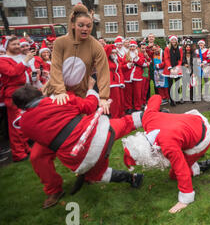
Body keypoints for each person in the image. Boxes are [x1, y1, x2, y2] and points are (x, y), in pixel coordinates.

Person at [12, 82, 144, 209]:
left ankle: (131, 178)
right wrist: (91, 88)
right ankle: (154, 116)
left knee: (98, 175)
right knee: (128, 122)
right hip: (99, 133)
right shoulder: (62, 100)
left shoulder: (24, 123)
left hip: (79, 157)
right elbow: (90, 105)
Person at [123, 94, 210, 214]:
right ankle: (195, 158)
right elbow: (156, 97)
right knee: (178, 154)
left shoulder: (168, 145)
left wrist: (185, 199)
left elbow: (181, 169)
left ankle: (204, 164)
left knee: (174, 175)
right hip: (191, 121)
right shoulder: (148, 118)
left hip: (202, 137)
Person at [44, 4, 110, 114]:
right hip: (56, 92)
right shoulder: (60, 42)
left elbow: (103, 72)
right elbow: (56, 67)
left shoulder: (95, 45)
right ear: (73, 25)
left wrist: (103, 97)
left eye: (88, 26)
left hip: (79, 94)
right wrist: (60, 91)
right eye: (81, 25)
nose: (85, 29)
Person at [0, 36, 33, 161]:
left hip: (23, 92)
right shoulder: (2, 59)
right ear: (7, 46)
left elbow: (24, 73)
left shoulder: (19, 57)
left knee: (23, 123)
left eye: (19, 44)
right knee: (15, 125)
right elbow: (12, 72)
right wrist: (25, 61)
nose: (18, 46)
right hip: (13, 93)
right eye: (14, 44)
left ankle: (25, 149)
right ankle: (18, 154)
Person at [123, 40, 149, 113]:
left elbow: (143, 64)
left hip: (137, 75)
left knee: (137, 93)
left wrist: (137, 58)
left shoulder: (140, 54)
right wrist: (128, 65)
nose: (132, 48)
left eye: (133, 46)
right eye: (131, 46)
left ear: (136, 47)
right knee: (128, 93)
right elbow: (123, 65)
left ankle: (137, 107)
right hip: (128, 75)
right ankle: (129, 107)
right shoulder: (126, 54)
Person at [104, 44, 125, 118]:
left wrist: (122, 81)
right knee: (115, 101)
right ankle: (115, 116)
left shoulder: (116, 60)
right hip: (111, 82)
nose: (114, 54)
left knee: (121, 100)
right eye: (112, 53)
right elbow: (105, 52)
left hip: (118, 82)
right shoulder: (106, 59)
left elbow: (120, 71)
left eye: (115, 53)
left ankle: (120, 114)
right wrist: (111, 46)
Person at [162, 35, 183, 106]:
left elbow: (180, 59)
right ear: (170, 41)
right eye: (172, 40)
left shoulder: (179, 49)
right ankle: (171, 100)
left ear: (176, 41)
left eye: (175, 40)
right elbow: (166, 58)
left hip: (177, 69)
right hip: (169, 69)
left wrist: (177, 67)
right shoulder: (167, 48)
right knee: (170, 85)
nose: (173, 41)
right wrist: (170, 67)